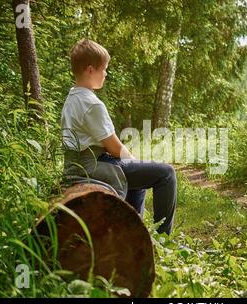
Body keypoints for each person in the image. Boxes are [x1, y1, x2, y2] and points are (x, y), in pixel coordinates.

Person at [61, 39, 176, 235]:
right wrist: (133, 160)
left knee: (137, 179)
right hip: (94, 166)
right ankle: (164, 238)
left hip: (76, 165)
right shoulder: (92, 104)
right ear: (90, 70)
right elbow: (114, 147)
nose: (105, 74)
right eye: (103, 69)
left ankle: (133, 230)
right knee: (166, 174)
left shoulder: (72, 98)